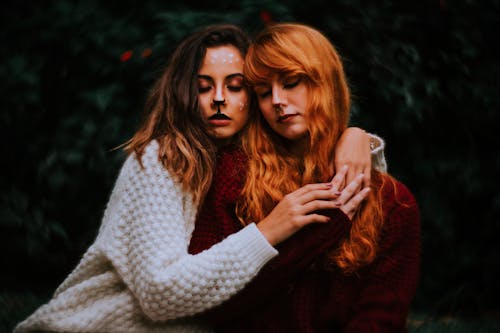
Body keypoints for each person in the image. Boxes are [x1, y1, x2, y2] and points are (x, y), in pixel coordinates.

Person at [14, 24, 386, 333]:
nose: (219, 99)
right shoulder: (160, 159)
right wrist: (268, 231)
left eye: (236, 86)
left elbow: (366, 212)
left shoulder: (257, 157)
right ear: (183, 93)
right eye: (204, 86)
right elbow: (161, 294)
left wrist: (356, 138)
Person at [190, 23, 421, 332]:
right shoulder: (234, 176)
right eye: (263, 92)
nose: (276, 100)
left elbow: (381, 319)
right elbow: (211, 308)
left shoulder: (392, 202)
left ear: (325, 82)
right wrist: (316, 234)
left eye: (291, 82)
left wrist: (355, 134)